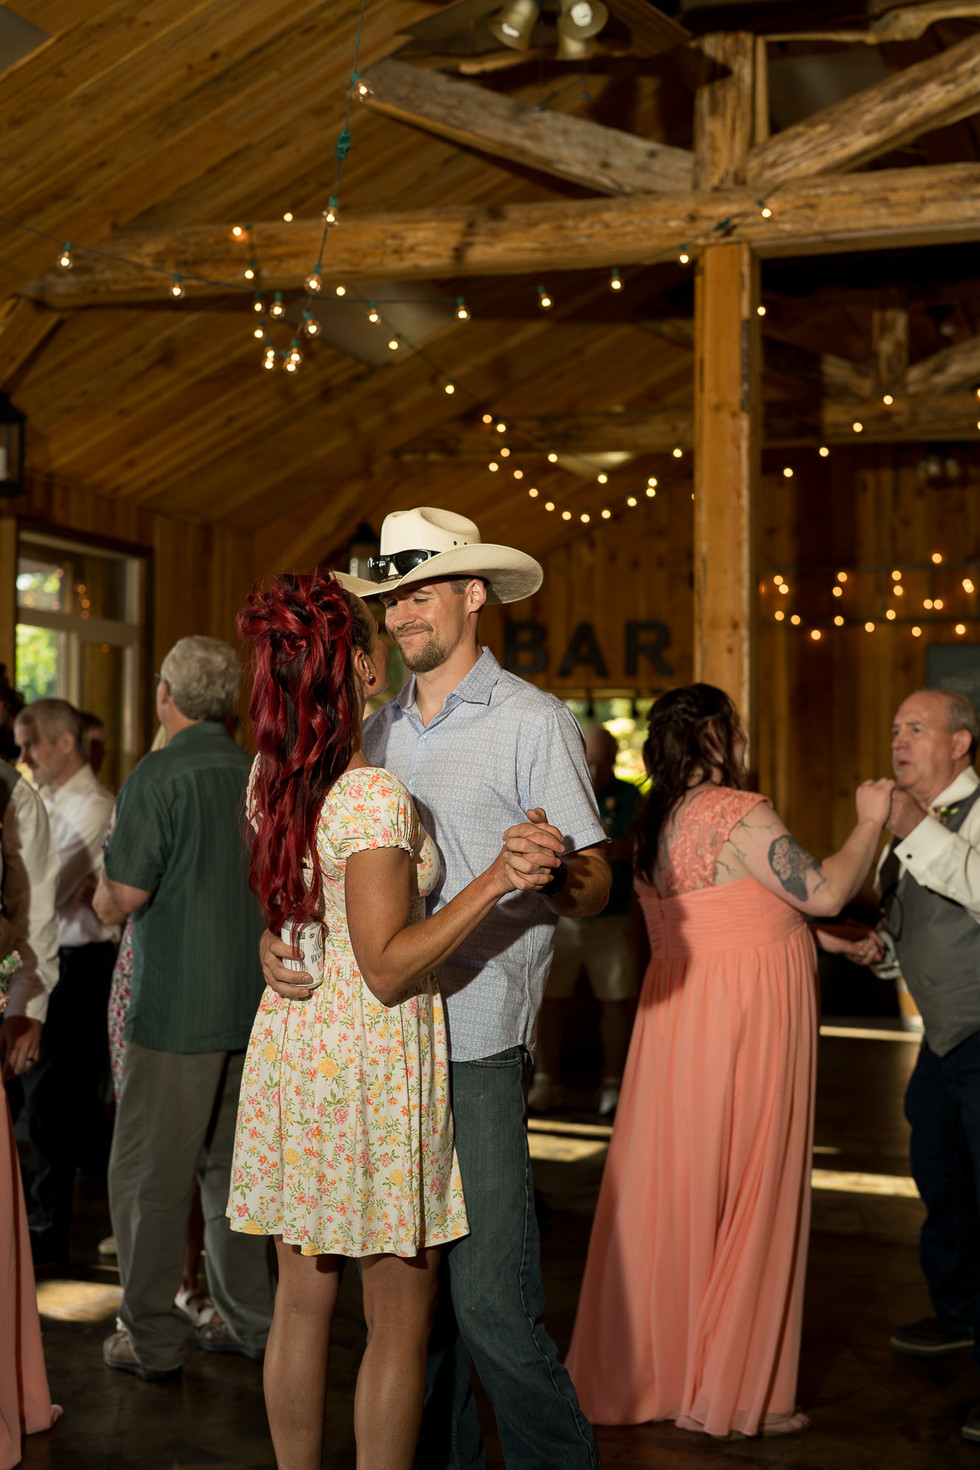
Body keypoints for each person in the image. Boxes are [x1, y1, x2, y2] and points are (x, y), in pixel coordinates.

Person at [261, 506, 610, 1470]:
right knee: (418, 1322)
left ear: (474, 593)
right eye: (391, 598)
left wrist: (550, 869)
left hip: (476, 1041)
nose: (403, 612)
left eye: (421, 591)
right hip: (373, 1053)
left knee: (490, 1303)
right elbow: (325, 879)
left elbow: (596, 884)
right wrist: (273, 941)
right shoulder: (367, 729)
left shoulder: (533, 720)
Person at [565, 683, 894, 1439]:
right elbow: (825, 889)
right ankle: (735, 1390)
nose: (742, 743)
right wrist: (869, 820)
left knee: (678, 1191)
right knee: (750, 1181)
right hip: (746, 1018)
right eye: (735, 731)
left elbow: (735, 905)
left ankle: (660, 1374)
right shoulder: (737, 810)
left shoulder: (656, 819)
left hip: (679, 1021)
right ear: (716, 736)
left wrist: (824, 935)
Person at [94, 638, 274, 1382]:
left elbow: (125, 894)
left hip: (175, 1009)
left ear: (165, 693)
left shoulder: (159, 772)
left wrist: (99, 893)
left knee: (148, 1178)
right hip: (255, 1003)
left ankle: (152, 1339)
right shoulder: (258, 772)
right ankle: (250, 1321)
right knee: (234, 1177)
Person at [874, 689, 980, 1444]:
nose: (898, 741)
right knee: (943, 1177)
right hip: (942, 1038)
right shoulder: (912, 821)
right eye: (894, 730)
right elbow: (923, 925)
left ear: (961, 743)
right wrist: (877, 952)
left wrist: (914, 829)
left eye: (916, 728)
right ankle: (962, 1311)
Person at [12, 698, 117, 1267]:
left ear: (65, 743)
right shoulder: (41, 801)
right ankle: (69, 1220)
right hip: (50, 961)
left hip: (80, 967)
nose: (24, 756)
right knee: (62, 1107)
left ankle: (49, 1230)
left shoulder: (94, 806)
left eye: (30, 744)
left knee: (55, 1105)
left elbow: (37, 896)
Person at [530, 724, 641, 1116]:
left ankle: (613, 1084)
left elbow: (639, 849)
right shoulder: (563, 788)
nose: (594, 772)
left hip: (614, 913)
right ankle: (546, 1081)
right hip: (562, 914)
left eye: (603, 764)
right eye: (589, 763)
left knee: (616, 1001)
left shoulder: (629, 796)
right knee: (550, 1000)